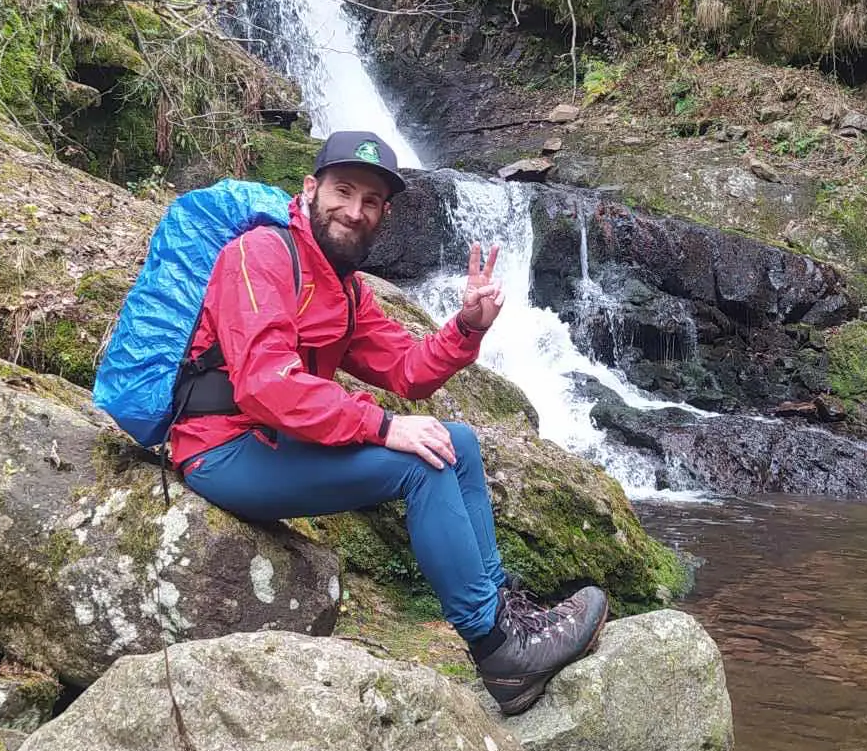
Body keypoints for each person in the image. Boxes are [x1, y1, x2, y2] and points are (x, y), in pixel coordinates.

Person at [170, 129, 607, 713]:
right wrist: (382, 427)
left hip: (274, 442)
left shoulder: (345, 290)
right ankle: (496, 648)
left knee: (457, 442)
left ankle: (510, 613)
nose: (355, 211)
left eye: (371, 201)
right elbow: (265, 384)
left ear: (385, 214)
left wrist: (467, 328)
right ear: (310, 189)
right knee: (418, 464)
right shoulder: (260, 256)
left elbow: (407, 369)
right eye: (343, 191)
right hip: (221, 449)